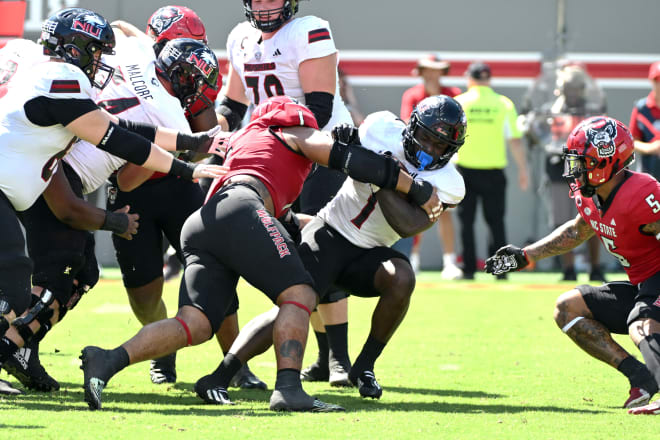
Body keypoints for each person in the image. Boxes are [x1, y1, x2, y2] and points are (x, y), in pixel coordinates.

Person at [79, 95, 443, 412]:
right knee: (300, 293)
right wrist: (414, 186)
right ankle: (288, 388)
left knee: (196, 323)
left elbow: (278, 217)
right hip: (242, 206)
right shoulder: (292, 129)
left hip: (205, 222)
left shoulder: (247, 140)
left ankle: (107, 360)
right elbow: (354, 162)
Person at [0, 7, 225, 393]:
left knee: (60, 270)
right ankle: (10, 348)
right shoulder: (63, 78)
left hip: (26, 179)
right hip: (39, 178)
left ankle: (16, 349)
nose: (103, 62)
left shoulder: (111, 58)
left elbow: (116, 125)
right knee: (22, 274)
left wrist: (187, 146)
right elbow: (117, 144)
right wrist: (184, 167)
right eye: (96, 52)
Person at [193, 95, 466, 403]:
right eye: (426, 138)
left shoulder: (450, 183)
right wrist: (366, 157)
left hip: (370, 252)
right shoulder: (381, 128)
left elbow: (407, 224)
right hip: (329, 234)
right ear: (412, 128)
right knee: (292, 308)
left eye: (440, 145)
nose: (430, 149)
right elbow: (337, 147)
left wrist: (380, 174)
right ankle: (219, 376)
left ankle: (363, 367)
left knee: (402, 276)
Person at [107, 5, 266, 390]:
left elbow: (209, 137)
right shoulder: (139, 67)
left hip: (179, 190)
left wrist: (190, 142)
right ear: (160, 49)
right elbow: (128, 179)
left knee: (217, 276)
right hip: (133, 196)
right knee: (145, 297)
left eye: (194, 49)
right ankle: (162, 352)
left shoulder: (187, 84)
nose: (190, 63)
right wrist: (176, 144)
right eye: (180, 49)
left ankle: (236, 364)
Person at [217, 0, 356, 387]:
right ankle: (325, 356)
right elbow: (233, 102)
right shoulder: (240, 37)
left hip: (319, 149)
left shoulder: (309, 30)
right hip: (271, 157)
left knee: (322, 249)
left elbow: (320, 108)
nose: (263, 6)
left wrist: (269, 142)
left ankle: (340, 360)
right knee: (295, 258)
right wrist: (219, 130)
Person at [485, 116, 660, 412]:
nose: (575, 170)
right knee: (568, 307)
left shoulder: (643, 192)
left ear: (606, 161)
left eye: (582, 162)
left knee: (641, 324)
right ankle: (641, 378)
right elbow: (578, 230)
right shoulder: (591, 197)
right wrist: (525, 255)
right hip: (641, 285)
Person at [520, 63, 607, 281]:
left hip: (587, 168)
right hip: (559, 166)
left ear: (582, 87)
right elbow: (542, 136)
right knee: (561, 218)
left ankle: (594, 267)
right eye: (567, 87)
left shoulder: (592, 111)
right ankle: (568, 270)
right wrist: (529, 127)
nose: (571, 91)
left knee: (593, 217)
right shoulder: (553, 110)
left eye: (575, 87)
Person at [455, 61, 529, 279]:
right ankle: (500, 271)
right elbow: (515, 140)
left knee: (466, 222)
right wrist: (523, 169)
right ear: (489, 80)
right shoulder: (503, 104)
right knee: (496, 222)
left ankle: (468, 269)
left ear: (470, 79)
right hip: (494, 172)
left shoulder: (460, 103)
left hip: (465, 171)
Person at [399, 54, 463, 279]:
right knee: (415, 205)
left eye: (436, 69)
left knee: (444, 210)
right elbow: (408, 124)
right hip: (417, 160)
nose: (432, 73)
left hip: (444, 161)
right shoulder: (413, 95)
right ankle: (412, 258)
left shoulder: (454, 94)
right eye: (428, 69)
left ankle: (449, 261)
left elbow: (461, 129)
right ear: (421, 71)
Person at [629, 61, 660, 179]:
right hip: (648, 172)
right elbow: (632, 141)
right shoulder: (641, 108)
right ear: (651, 82)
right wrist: (650, 148)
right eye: (657, 80)